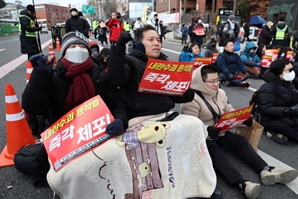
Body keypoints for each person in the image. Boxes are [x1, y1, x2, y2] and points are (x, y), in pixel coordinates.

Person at [107, 24, 221, 199]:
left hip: (167, 116)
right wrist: (118, 45)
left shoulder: (166, 64)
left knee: (196, 125)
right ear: (139, 44)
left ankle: (201, 182)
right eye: (150, 40)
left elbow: (173, 96)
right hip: (141, 120)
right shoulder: (130, 62)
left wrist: (185, 95)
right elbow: (116, 77)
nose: (156, 43)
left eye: (158, 40)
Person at [180, 64, 298, 199]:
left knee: (240, 141)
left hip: (220, 131)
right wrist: (207, 129)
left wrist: (242, 119)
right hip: (203, 136)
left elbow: (229, 110)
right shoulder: (191, 99)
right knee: (214, 151)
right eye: (211, 81)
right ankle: (242, 183)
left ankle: (265, 170)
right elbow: (189, 124)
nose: (216, 84)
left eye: (217, 80)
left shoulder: (221, 93)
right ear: (201, 82)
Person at [22, 31, 128, 136]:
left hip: (97, 132)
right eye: (72, 46)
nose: (77, 50)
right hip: (62, 135)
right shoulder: (54, 76)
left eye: (82, 47)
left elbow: (116, 103)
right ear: (64, 54)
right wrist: (41, 74)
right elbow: (32, 106)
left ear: (88, 53)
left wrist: (120, 120)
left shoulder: (101, 75)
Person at [256, 59, 298, 144]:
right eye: (289, 70)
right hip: (268, 118)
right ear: (280, 72)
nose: (292, 73)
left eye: (292, 70)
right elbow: (266, 109)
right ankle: (270, 131)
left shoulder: (288, 84)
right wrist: (286, 110)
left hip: (286, 114)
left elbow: (294, 99)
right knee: (288, 128)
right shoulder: (268, 87)